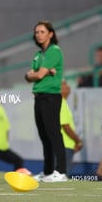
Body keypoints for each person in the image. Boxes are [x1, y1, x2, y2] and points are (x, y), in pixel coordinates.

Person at [25, 21, 67, 182]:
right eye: (37, 32)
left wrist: (37, 73)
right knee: (44, 135)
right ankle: (48, 171)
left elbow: (38, 75)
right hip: (39, 96)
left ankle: (61, 171)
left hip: (51, 96)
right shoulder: (38, 54)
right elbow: (28, 76)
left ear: (50, 33)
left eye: (42, 31)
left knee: (53, 133)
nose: (39, 34)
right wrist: (37, 73)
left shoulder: (54, 51)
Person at [60, 80, 83, 175]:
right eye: (64, 85)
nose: (68, 86)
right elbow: (66, 127)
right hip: (65, 146)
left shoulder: (62, 103)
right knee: (62, 175)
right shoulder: (61, 104)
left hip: (64, 146)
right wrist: (78, 141)